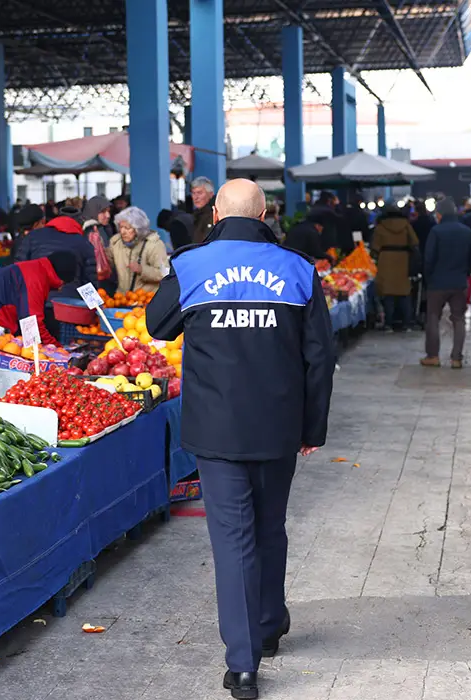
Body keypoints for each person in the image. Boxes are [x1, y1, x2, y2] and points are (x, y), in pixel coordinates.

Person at [145, 178, 336, 700]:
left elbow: (158, 327)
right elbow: (320, 357)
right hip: (278, 427)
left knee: (233, 540)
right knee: (270, 528)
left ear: (213, 216)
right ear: (267, 213)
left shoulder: (191, 265)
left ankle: (244, 662)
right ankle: (270, 625)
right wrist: (312, 427)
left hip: (217, 430)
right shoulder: (298, 269)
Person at [0, 252, 79, 346]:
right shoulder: (36, 279)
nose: (61, 288)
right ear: (60, 278)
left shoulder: (37, 268)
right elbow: (32, 323)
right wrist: (55, 348)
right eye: (63, 284)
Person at [420, 198, 471, 368]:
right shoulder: (467, 232)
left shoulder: (436, 231)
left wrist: (429, 278)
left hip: (437, 283)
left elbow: (429, 259)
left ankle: (433, 356)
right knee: (459, 319)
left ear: (439, 214)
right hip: (459, 282)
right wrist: (464, 273)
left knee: (432, 318)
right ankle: (456, 358)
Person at [13, 205, 97, 295]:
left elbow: (18, 270)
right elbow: (89, 282)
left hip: (37, 299)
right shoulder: (84, 243)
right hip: (70, 302)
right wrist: (96, 306)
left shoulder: (32, 236)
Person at [107, 206, 169, 294]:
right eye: (121, 227)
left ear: (138, 229)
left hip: (145, 300)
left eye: (127, 228)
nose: (122, 232)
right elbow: (107, 265)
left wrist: (142, 270)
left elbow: (164, 274)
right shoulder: (115, 242)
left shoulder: (154, 244)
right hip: (122, 299)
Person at [81, 195, 115, 285]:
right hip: (96, 280)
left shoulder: (104, 228)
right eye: (103, 212)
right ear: (93, 211)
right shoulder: (92, 231)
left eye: (108, 211)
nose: (108, 216)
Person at [190, 177, 217, 244]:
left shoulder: (214, 214)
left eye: (199, 193)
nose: (196, 197)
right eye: (193, 193)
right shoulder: (196, 215)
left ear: (210, 194)